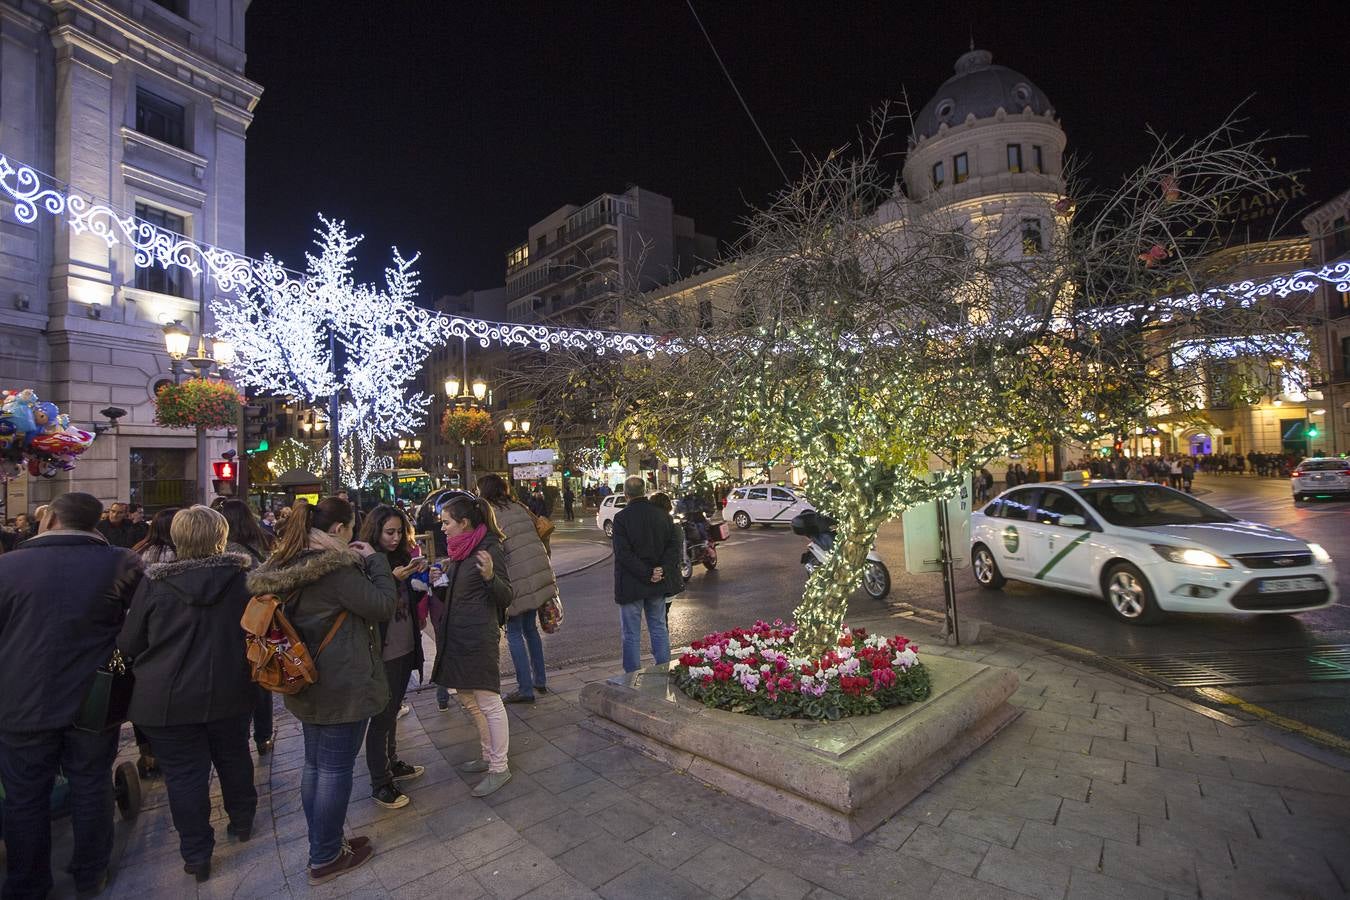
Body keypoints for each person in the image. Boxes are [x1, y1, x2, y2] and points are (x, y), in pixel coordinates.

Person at [0, 493, 144, 898]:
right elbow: (139, 625)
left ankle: (27, 883)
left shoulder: (7, 567)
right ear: (97, 522)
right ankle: (90, 871)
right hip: (94, 697)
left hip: (20, 699)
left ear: (50, 520)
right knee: (91, 783)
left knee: (25, 796)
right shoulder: (120, 562)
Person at [246, 498, 396, 886]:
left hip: (304, 678)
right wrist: (376, 560)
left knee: (315, 765)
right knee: (334, 769)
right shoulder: (335, 570)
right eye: (350, 529)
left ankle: (325, 842)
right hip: (341, 683)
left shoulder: (288, 565)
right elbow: (381, 605)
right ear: (337, 531)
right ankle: (325, 856)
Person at [117, 506, 257, 883]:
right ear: (220, 536)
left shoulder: (155, 584)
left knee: (184, 777)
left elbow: (130, 641)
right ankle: (242, 821)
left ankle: (196, 854)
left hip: (166, 698)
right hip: (231, 688)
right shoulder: (243, 579)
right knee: (233, 756)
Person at [429, 493, 514, 797]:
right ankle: (488, 753)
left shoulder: (488, 548)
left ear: (464, 523)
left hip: (478, 635)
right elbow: (456, 595)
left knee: (489, 701)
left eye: (447, 522)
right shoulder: (462, 551)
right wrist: (440, 583)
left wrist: (491, 576)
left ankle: (499, 767)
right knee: (467, 697)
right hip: (459, 634)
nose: (443, 528)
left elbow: (506, 596)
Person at [357, 505, 427, 810]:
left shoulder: (401, 558)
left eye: (400, 531)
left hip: (404, 643)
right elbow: (371, 605)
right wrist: (391, 577)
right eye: (389, 532)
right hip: (381, 650)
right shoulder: (365, 561)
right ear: (375, 530)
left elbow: (407, 599)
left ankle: (392, 760)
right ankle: (380, 781)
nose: (396, 538)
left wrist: (421, 582)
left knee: (394, 709)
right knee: (381, 717)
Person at [478, 474, 555, 705]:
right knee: (530, 629)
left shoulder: (488, 512)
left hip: (513, 577)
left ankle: (524, 689)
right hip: (535, 572)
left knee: (513, 633)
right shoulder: (519, 506)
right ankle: (539, 680)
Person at [220, 499, 278, 756]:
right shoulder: (264, 541)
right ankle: (263, 735)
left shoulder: (222, 550)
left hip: (233, 622)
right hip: (261, 619)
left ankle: (240, 733)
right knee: (261, 675)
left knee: (238, 678)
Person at [611, 476, 680, 674]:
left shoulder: (622, 518)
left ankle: (632, 674)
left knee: (631, 633)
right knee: (658, 628)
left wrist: (646, 572)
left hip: (631, 583)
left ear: (626, 494)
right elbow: (673, 548)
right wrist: (660, 570)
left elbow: (623, 554)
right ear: (644, 491)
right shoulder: (663, 516)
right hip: (657, 583)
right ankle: (664, 669)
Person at [648, 493, 686, 617]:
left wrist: (657, 570)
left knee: (658, 620)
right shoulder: (674, 527)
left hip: (658, 580)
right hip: (670, 580)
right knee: (662, 619)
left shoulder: (651, 528)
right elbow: (675, 554)